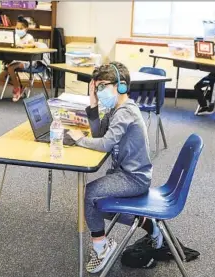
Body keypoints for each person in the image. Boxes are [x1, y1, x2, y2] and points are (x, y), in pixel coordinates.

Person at [68, 62, 164, 273]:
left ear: (121, 87)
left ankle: (102, 248)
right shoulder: (115, 109)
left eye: (103, 86)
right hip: (126, 174)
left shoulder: (125, 112)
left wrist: (79, 140)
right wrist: (93, 104)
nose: (99, 91)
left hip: (134, 178)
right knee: (102, 206)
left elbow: (104, 144)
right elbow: (99, 135)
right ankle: (151, 226)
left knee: (91, 194)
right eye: (97, 87)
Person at [0, 15, 36, 102]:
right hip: (15, 60)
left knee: (11, 68)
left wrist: (23, 45)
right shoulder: (15, 37)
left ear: (26, 29)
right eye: (17, 28)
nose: (18, 30)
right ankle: (19, 86)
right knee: (0, 78)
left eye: (20, 28)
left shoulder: (29, 37)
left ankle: (16, 89)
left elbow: (33, 44)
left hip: (26, 61)